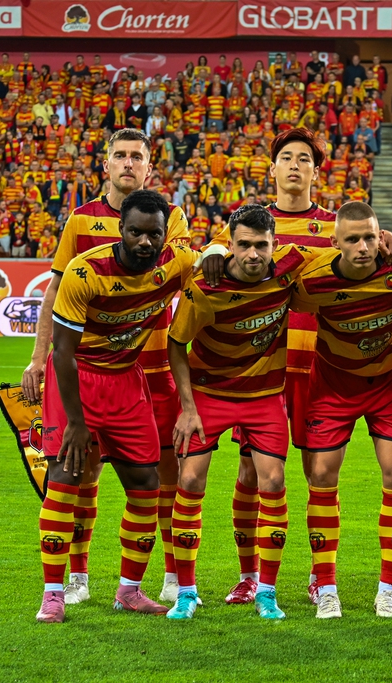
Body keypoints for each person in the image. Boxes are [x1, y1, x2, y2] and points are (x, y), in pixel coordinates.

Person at [200, 128, 392, 606]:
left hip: (316, 370)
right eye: (287, 158)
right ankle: (249, 575)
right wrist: (211, 251)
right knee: (251, 474)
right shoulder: (251, 225)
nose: (295, 165)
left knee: (319, 474)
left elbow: (376, 253)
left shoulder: (338, 229)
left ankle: (319, 576)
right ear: (272, 169)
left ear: (317, 170)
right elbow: (214, 251)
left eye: (305, 159)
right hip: (262, 372)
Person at [20, 129, 190, 607]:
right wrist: (37, 356)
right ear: (107, 163)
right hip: (87, 364)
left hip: (147, 368)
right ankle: (72, 580)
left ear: (150, 166)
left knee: (161, 477)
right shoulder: (81, 222)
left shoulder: (171, 215)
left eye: (138, 156)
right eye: (120, 155)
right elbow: (56, 294)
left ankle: (167, 578)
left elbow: (185, 266)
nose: (129, 163)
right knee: (78, 473)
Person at [165, 204, 323, 621]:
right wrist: (187, 407)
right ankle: (186, 593)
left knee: (273, 481)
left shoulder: (288, 269)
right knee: (190, 479)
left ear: (275, 244)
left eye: (261, 246)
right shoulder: (204, 287)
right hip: (209, 394)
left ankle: (266, 592)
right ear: (230, 245)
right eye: (244, 245)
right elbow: (176, 344)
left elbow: (338, 250)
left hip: (264, 396)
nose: (253, 254)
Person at [292, 201, 392, 619]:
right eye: (352, 239)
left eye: (369, 237)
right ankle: (326, 588)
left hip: (389, 386)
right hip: (333, 388)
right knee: (322, 476)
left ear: (381, 235)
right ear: (335, 243)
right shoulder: (313, 282)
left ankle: (388, 590)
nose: (363, 247)